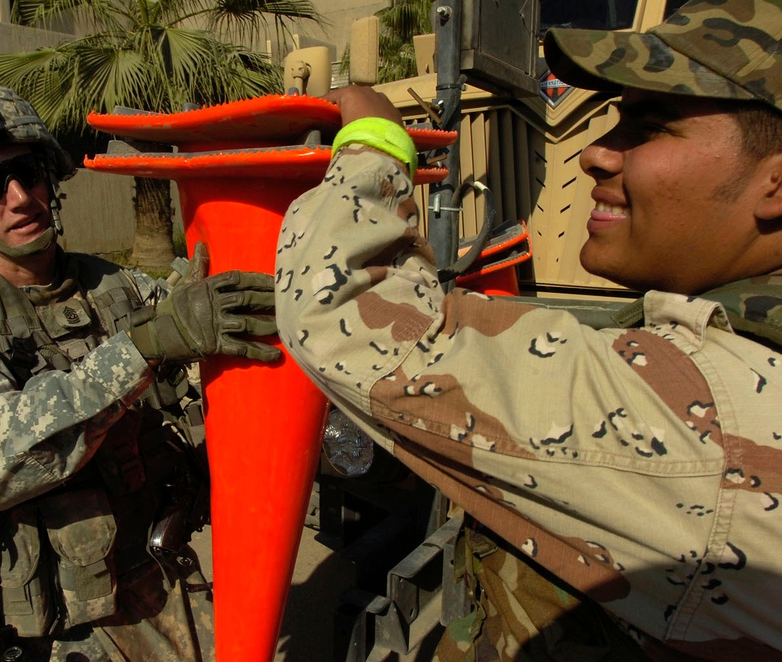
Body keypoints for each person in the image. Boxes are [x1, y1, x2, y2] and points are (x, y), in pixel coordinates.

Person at [275, 0, 782, 659]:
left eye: (650, 128)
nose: (597, 155)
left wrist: (376, 144)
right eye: (613, 121)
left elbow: (338, 311)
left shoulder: (703, 408)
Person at [0, 86, 280, 661]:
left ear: (50, 175)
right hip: (51, 627)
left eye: (26, 172)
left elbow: (210, 339)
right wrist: (142, 350)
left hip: (152, 577)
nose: (19, 198)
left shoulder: (119, 288)